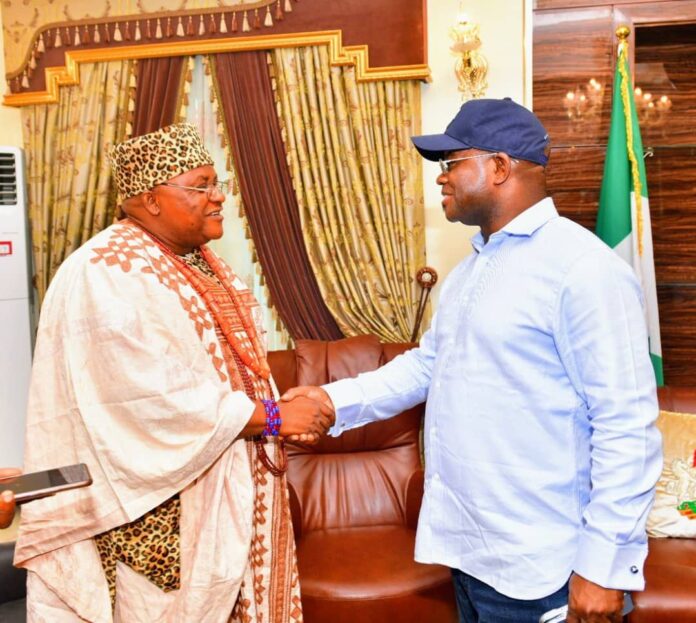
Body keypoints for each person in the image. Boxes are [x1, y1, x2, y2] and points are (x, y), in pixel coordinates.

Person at [283, 98, 662, 623]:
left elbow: (627, 427)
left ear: (501, 167)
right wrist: (331, 398)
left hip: (544, 572)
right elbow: (426, 366)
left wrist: (603, 568)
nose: (441, 179)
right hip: (471, 557)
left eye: (452, 163)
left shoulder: (582, 269)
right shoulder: (470, 271)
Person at [15, 123, 332, 622]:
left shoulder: (201, 260)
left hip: (222, 481)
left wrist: (281, 400)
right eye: (200, 185)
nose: (217, 197)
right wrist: (274, 418)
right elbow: (148, 399)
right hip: (153, 512)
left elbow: (225, 364)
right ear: (151, 198)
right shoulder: (108, 270)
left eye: (216, 182)